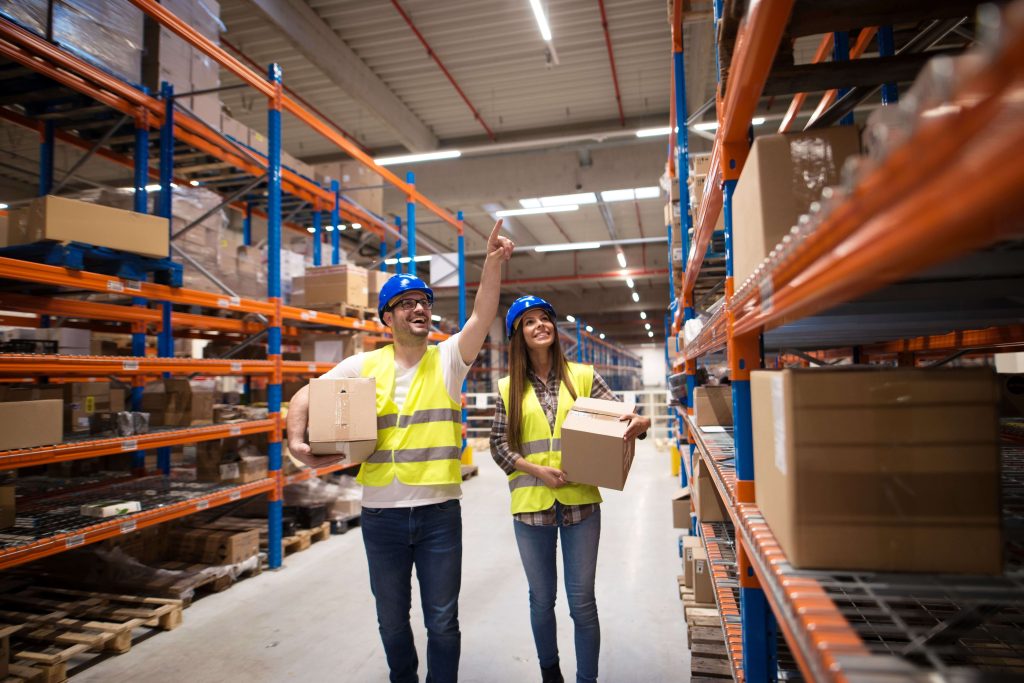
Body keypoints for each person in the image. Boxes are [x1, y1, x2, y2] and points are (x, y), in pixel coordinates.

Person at [287, 219, 514, 683]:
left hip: (438, 515)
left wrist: (491, 265)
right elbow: (304, 396)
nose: (419, 309)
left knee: (442, 621)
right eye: (407, 303)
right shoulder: (362, 365)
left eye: (425, 302)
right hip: (382, 516)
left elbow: (481, 315)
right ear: (387, 318)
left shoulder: (450, 359)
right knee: (391, 620)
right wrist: (295, 442)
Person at [489, 295, 650, 683]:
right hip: (531, 506)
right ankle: (550, 673)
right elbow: (499, 446)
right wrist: (535, 470)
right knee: (542, 600)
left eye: (545, 318)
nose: (540, 325)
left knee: (583, 603)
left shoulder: (583, 376)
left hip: (581, 506)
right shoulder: (508, 386)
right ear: (518, 335)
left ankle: (587, 679)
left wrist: (640, 422)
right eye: (529, 321)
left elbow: (621, 418)